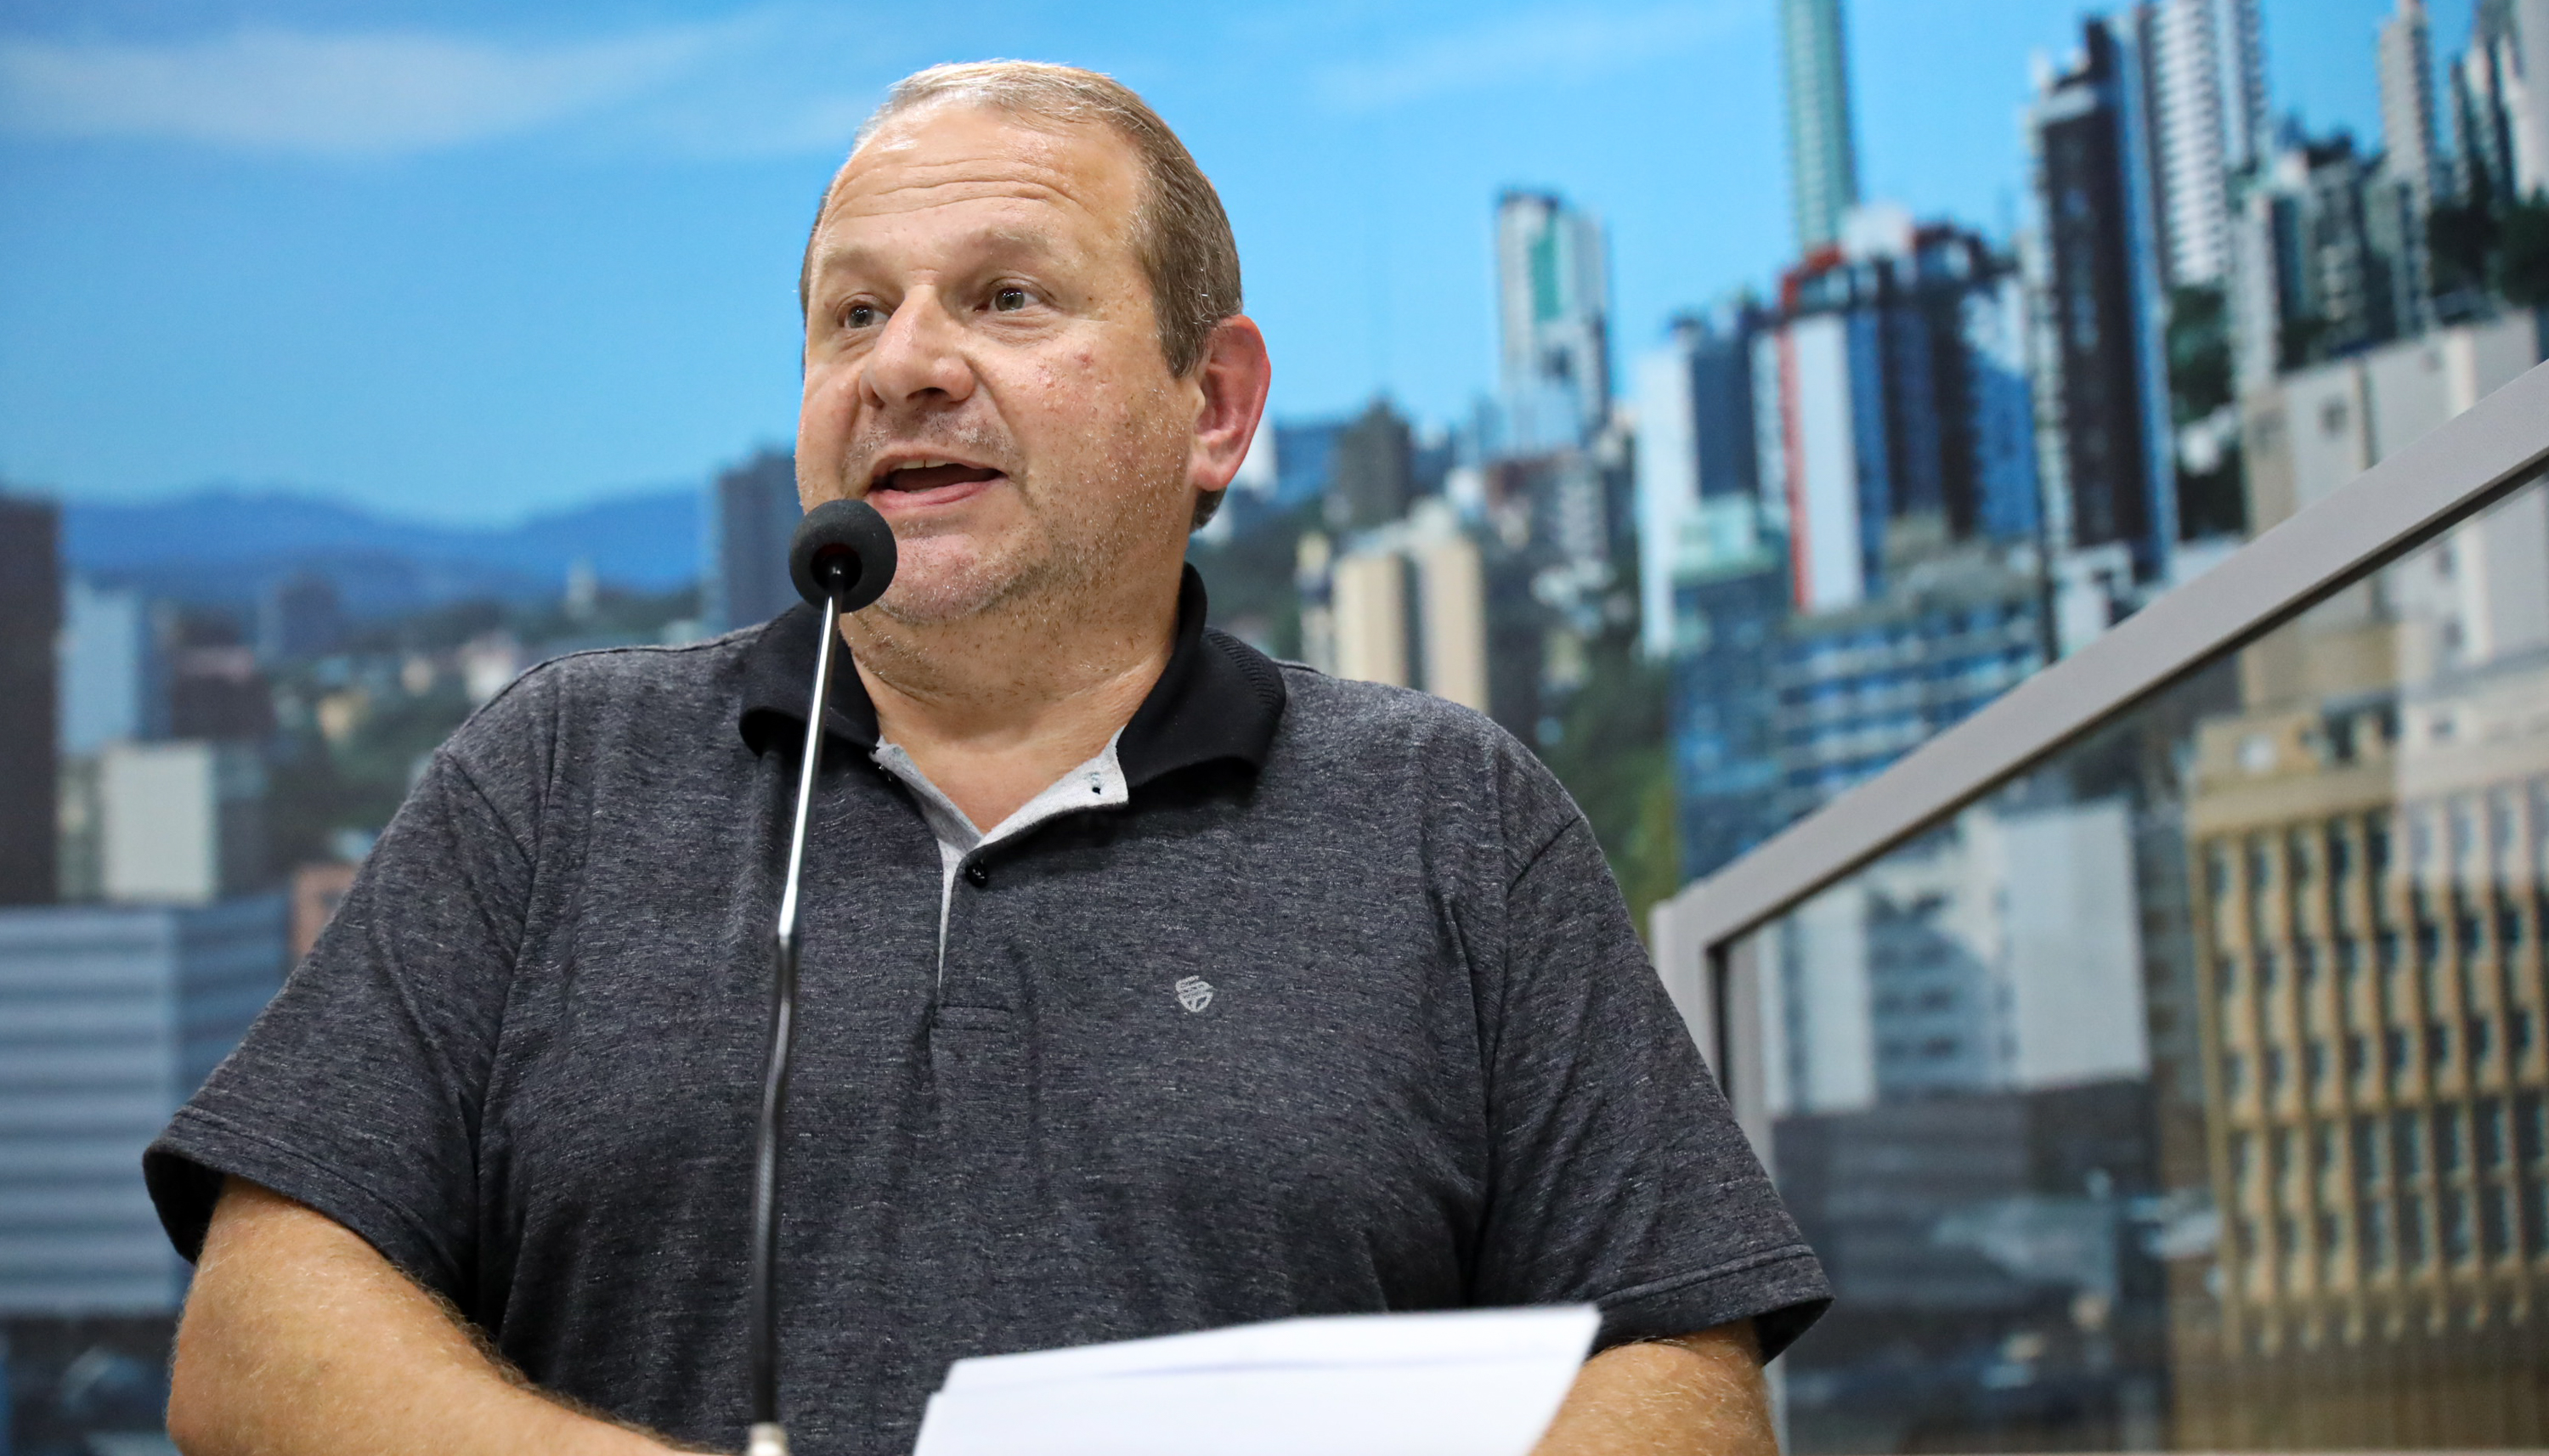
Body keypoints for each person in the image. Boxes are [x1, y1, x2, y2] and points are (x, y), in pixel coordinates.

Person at [149, 60, 1828, 1456]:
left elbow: (1684, 1378)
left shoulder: (1449, 816)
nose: (905, 364)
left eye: (1009, 296)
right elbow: (256, 1333)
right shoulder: (557, 773)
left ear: (1215, 405)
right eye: (853, 313)